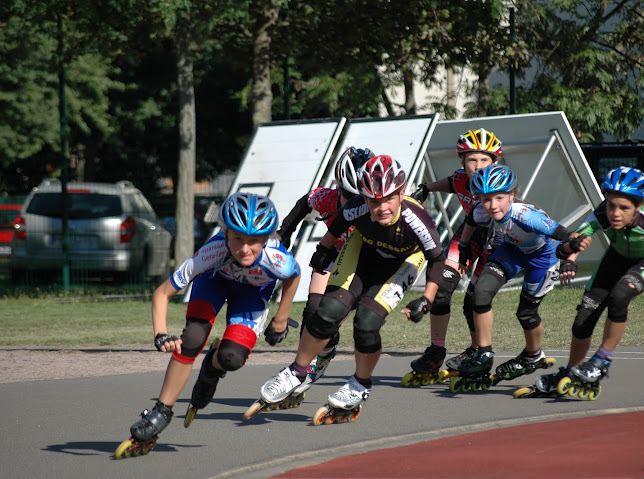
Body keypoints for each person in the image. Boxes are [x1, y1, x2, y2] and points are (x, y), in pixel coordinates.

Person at [256, 155, 446, 420]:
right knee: (327, 311)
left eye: (388, 199)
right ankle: (297, 371)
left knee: (366, 323)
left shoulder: (417, 219)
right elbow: (336, 226)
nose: (381, 208)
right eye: (373, 201)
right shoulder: (357, 206)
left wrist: (426, 298)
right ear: (364, 197)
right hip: (364, 252)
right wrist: (323, 250)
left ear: (401, 193)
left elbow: (437, 258)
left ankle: (359, 384)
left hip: (402, 262)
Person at [115, 193, 300, 458]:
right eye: (237, 238)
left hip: (251, 295)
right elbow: (162, 293)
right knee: (192, 338)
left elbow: (294, 276)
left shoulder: (277, 258)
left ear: (267, 238)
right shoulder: (212, 251)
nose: (245, 249)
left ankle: (212, 368)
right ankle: (161, 411)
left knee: (232, 358)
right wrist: (160, 334)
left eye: (254, 241)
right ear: (225, 233)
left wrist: (281, 318)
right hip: (214, 282)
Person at [534, 150, 644, 397]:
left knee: (620, 296)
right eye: (611, 205)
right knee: (582, 322)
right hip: (617, 257)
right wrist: (571, 257)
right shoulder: (603, 213)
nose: (615, 213)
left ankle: (601, 362)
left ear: (638, 206)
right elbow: (572, 241)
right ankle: (572, 371)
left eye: (623, 207)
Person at [453, 164, 591, 390]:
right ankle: (485, 353)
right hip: (512, 250)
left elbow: (567, 234)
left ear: (512, 195)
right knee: (481, 291)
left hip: (543, 257)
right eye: (486, 199)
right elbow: (470, 220)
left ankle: (533, 355)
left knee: (526, 313)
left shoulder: (526, 215)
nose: (492, 205)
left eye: (499, 198)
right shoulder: (480, 210)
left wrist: (570, 257)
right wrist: (465, 245)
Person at [276, 147, 374, 399]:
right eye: (346, 194)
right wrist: (285, 232)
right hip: (332, 251)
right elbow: (304, 203)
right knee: (312, 311)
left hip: (360, 260)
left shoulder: (374, 206)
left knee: (329, 317)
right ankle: (303, 365)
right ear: (338, 187)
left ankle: (322, 353)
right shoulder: (327, 198)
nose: (352, 201)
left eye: (359, 196)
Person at [407, 128, 501, 381]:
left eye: (485, 160)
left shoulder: (502, 185)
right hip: (468, 234)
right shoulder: (461, 178)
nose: (478, 166)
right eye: (472, 159)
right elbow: (451, 183)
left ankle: (478, 352)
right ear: (462, 161)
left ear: (494, 162)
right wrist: (426, 188)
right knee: (441, 287)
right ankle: (436, 350)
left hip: (497, 240)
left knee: (474, 300)